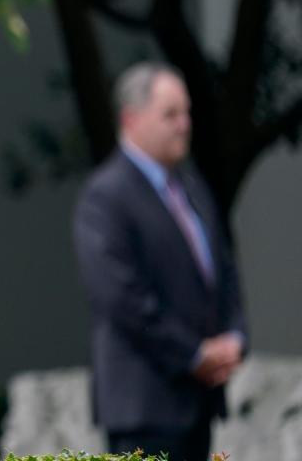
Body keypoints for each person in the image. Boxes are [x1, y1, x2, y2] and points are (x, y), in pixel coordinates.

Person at [73, 62, 247, 461]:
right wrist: (194, 354)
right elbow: (121, 299)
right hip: (144, 407)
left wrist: (235, 338)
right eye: (170, 114)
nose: (184, 124)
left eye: (186, 113)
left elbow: (224, 271)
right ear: (131, 119)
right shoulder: (106, 196)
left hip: (198, 404)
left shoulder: (191, 185)